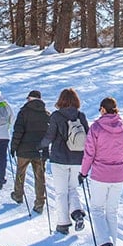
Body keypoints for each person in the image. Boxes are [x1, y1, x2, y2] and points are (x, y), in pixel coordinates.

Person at [79, 97, 123, 246]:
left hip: (100, 175)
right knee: (112, 212)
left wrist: (83, 172)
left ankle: (104, 242)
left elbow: (89, 153)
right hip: (118, 176)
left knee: (96, 209)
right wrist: (121, 166)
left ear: (103, 109)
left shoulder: (96, 128)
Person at [40, 87, 89, 235]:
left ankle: (63, 224)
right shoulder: (81, 116)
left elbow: (49, 136)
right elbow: (88, 136)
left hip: (59, 159)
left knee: (61, 192)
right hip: (77, 158)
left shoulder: (56, 116)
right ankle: (77, 213)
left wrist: (40, 146)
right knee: (73, 188)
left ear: (61, 100)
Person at [10, 90, 50, 213]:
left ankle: (18, 195)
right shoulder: (46, 114)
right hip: (40, 151)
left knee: (20, 172)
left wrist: (13, 147)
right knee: (40, 177)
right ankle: (39, 203)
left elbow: (18, 132)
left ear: (31, 99)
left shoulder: (23, 113)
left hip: (24, 150)